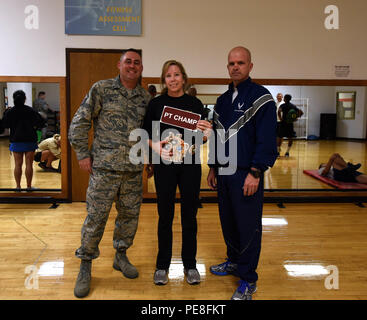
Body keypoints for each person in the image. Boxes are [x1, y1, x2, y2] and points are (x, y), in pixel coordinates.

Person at [68, 48, 151, 298]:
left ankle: (121, 256)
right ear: (119, 65)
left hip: (133, 171)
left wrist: (150, 161)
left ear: (141, 68)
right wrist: (82, 153)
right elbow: (80, 121)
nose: (132, 66)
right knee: (95, 218)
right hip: (104, 169)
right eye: (128, 62)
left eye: (137, 63)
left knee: (129, 218)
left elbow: (150, 135)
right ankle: (85, 264)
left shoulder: (146, 98)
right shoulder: (101, 89)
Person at [207, 46, 277, 300]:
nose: (235, 67)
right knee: (229, 221)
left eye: (240, 62)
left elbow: (267, 139)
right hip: (224, 173)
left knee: (247, 226)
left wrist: (256, 172)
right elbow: (216, 135)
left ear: (250, 66)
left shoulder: (262, 98)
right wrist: (213, 167)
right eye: (231, 63)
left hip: (246, 174)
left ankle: (248, 279)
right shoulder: (224, 100)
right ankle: (234, 261)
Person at [143, 60, 212, 286]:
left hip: (190, 166)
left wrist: (206, 134)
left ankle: (190, 265)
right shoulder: (156, 104)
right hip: (165, 167)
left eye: (177, 74)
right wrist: (155, 151)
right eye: (168, 75)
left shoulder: (195, 103)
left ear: (184, 78)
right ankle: (162, 266)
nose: (173, 79)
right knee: (165, 216)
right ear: (164, 80)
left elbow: (200, 137)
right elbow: (146, 136)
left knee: (189, 217)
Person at [2, 90, 46, 191]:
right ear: (25, 99)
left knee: (18, 165)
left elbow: (5, 125)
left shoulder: (10, 111)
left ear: (13, 99)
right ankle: (29, 187)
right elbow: (41, 123)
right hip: (30, 140)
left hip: (16, 140)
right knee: (29, 164)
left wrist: (6, 113)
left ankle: (18, 187)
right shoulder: (30, 110)